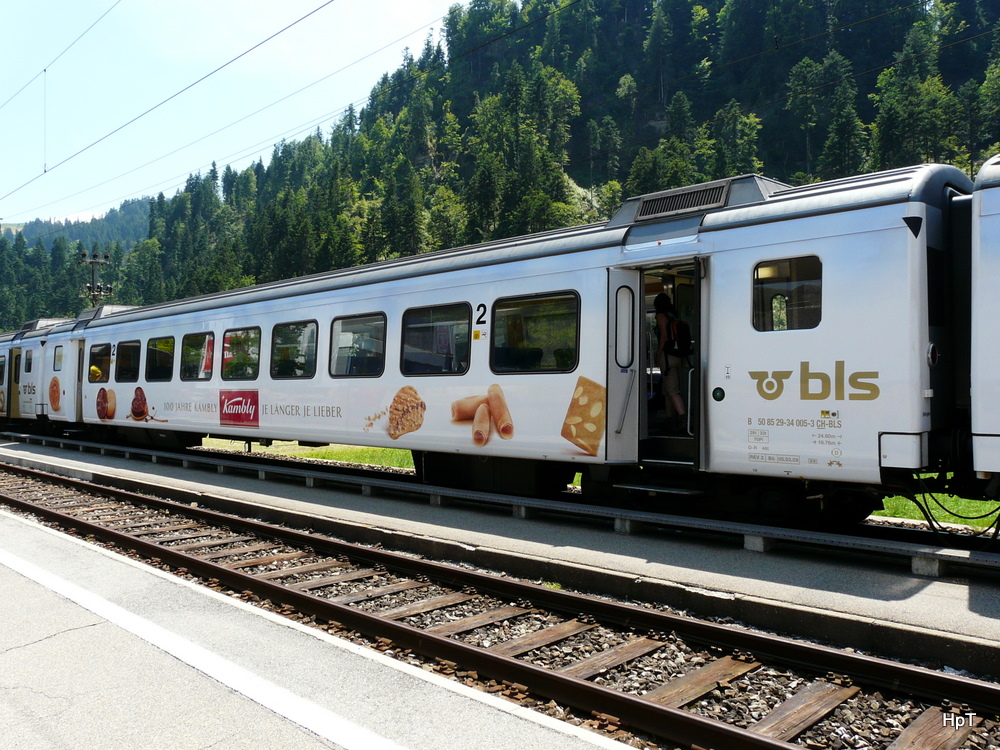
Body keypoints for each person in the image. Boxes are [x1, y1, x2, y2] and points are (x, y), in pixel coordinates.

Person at [654, 293, 687, 432]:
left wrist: (658, 353)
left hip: (668, 357)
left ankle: (683, 417)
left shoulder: (661, 316)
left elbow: (664, 337)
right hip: (679, 356)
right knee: (667, 388)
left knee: (672, 390)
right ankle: (669, 418)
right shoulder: (673, 315)